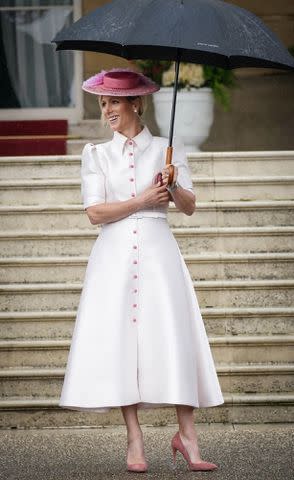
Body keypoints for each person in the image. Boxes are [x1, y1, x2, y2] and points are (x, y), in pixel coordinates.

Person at [59, 67, 224, 473]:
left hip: (159, 253)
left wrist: (172, 186)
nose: (107, 110)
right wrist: (141, 199)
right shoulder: (95, 154)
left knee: (172, 335)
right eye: (103, 102)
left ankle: (187, 436)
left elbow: (189, 206)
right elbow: (95, 213)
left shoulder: (168, 148)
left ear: (137, 102)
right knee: (122, 344)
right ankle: (134, 439)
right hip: (113, 257)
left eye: (114, 101)